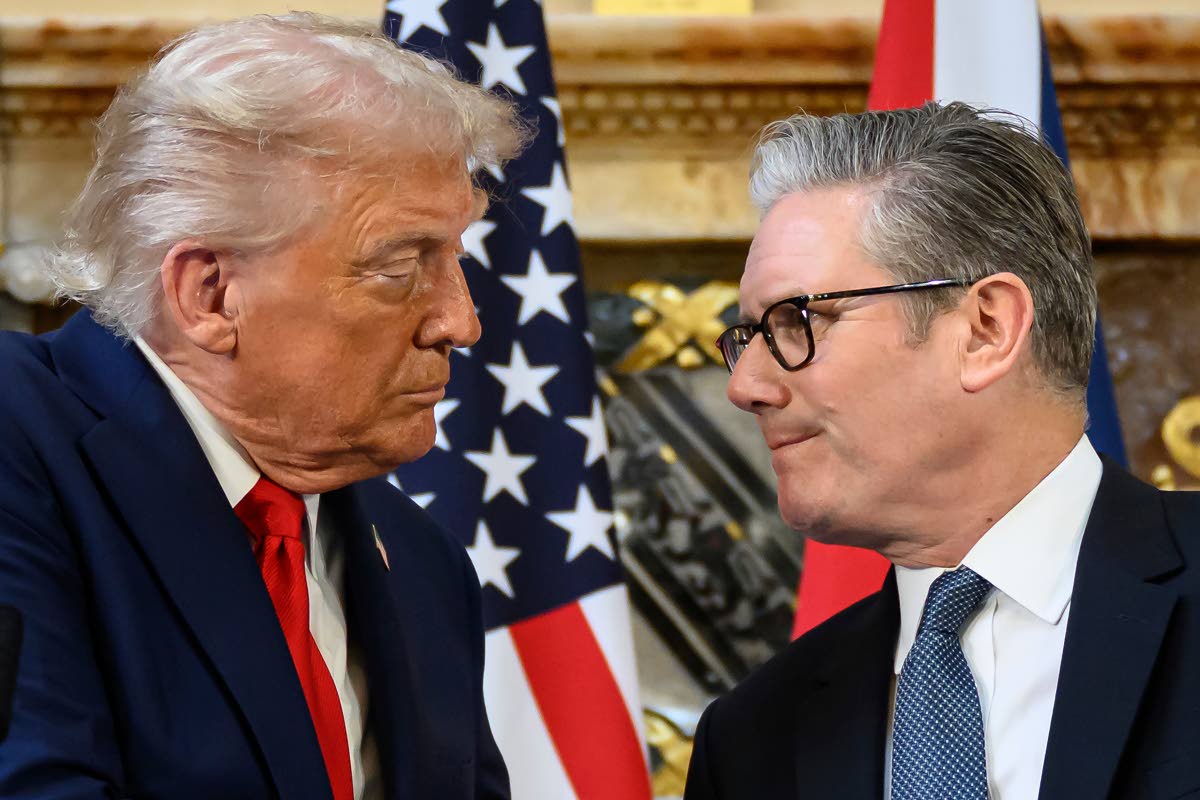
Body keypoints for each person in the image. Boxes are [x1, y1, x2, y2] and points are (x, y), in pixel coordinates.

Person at [0, 13, 526, 799]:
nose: (461, 321)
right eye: (400, 265)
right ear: (209, 295)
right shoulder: (18, 441)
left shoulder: (425, 567)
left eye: (452, 258)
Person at [685, 102, 1200, 799]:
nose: (744, 385)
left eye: (796, 320)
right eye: (746, 336)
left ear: (986, 329)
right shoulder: (754, 740)